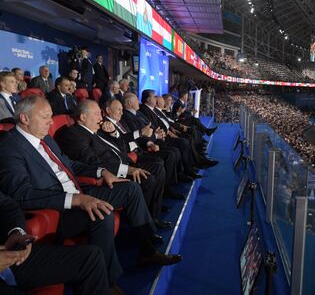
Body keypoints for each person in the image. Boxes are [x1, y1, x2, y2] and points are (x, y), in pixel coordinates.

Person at [0, 96, 182, 287]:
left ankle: (147, 252)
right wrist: (76, 200)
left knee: (130, 188)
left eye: (51, 116)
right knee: (102, 213)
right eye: (45, 117)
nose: (51, 122)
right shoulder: (9, 147)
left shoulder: (44, 138)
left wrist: (102, 172)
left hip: (79, 189)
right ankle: (108, 282)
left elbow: (69, 165)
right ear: (24, 118)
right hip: (58, 209)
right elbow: (22, 195)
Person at [55, 100, 168, 226]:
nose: (101, 117)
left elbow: (122, 148)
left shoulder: (99, 129)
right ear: (83, 117)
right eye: (97, 114)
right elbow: (92, 162)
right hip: (112, 172)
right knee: (147, 179)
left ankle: (153, 214)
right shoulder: (74, 134)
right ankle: (146, 222)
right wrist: (127, 170)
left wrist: (114, 133)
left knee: (157, 167)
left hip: (125, 163)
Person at [0, 191, 111, 295]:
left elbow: (8, 205)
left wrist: (15, 232)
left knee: (91, 257)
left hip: (10, 253)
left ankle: (110, 282)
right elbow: (23, 195)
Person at [103, 98, 182, 199]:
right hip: (130, 157)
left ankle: (162, 193)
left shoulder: (120, 121)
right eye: (118, 109)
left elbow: (134, 137)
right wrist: (142, 133)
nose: (121, 113)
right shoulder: (106, 125)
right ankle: (160, 196)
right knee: (159, 163)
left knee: (166, 158)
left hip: (140, 150)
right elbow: (121, 141)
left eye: (122, 109)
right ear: (108, 110)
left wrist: (149, 143)